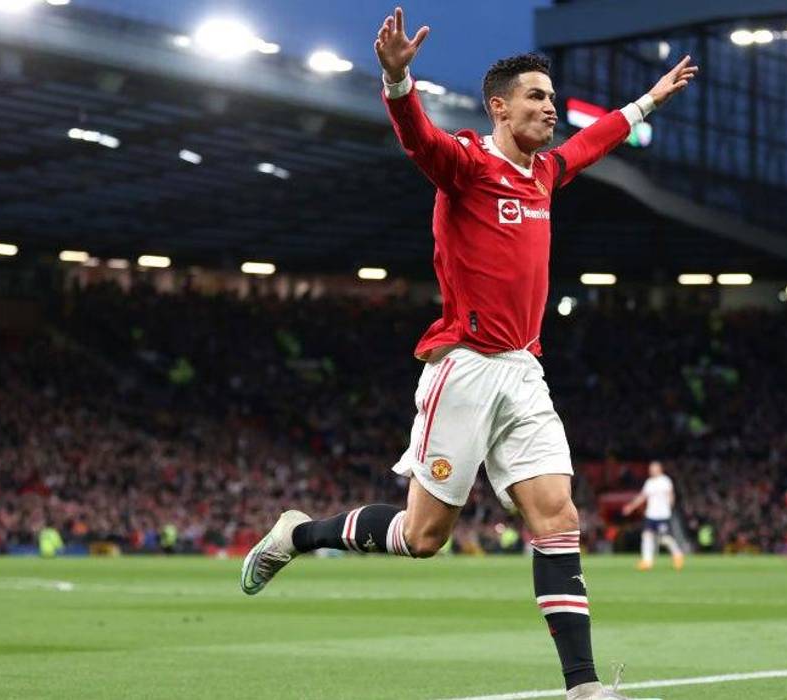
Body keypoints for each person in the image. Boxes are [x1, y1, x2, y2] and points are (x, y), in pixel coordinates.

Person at [239, 8, 698, 699]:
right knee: (424, 538)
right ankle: (298, 536)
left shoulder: (543, 175)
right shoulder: (466, 165)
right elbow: (416, 138)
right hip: (466, 366)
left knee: (558, 517)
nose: (549, 108)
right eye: (536, 98)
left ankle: (582, 685)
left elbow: (596, 141)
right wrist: (397, 79)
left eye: (550, 97)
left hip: (522, 368)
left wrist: (646, 102)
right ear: (499, 107)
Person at [621, 461, 684, 571]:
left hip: (663, 515)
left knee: (664, 539)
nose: (651, 470)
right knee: (646, 536)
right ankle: (647, 561)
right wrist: (630, 507)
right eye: (651, 469)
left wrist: (670, 506)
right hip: (651, 514)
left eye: (654, 468)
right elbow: (642, 496)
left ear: (660, 469)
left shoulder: (665, 481)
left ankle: (677, 555)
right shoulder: (649, 482)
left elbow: (671, 495)